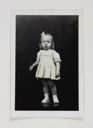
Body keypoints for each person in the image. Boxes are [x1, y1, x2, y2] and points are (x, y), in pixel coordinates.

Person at [29, 31, 61, 103]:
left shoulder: (53, 52)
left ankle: (55, 97)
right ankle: (46, 98)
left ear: (52, 44)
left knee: (51, 84)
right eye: (44, 42)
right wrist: (32, 66)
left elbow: (57, 62)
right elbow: (38, 61)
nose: (46, 43)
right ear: (41, 44)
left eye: (48, 42)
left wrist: (57, 70)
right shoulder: (40, 53)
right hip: (42, 71)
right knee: (44, 84)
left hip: (50, 71)